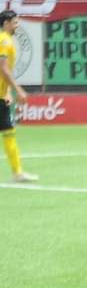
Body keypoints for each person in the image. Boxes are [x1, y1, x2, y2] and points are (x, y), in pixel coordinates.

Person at [0, 10, 37, 183]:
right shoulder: (3, 40)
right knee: (9, 132)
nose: (17, 25)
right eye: (15, 22)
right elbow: (3, 68)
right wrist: (18, 89)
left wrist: (6, 92)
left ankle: (17, 173)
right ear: (6, 22)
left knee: (9, 132)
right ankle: (17, 173)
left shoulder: (7, 40)